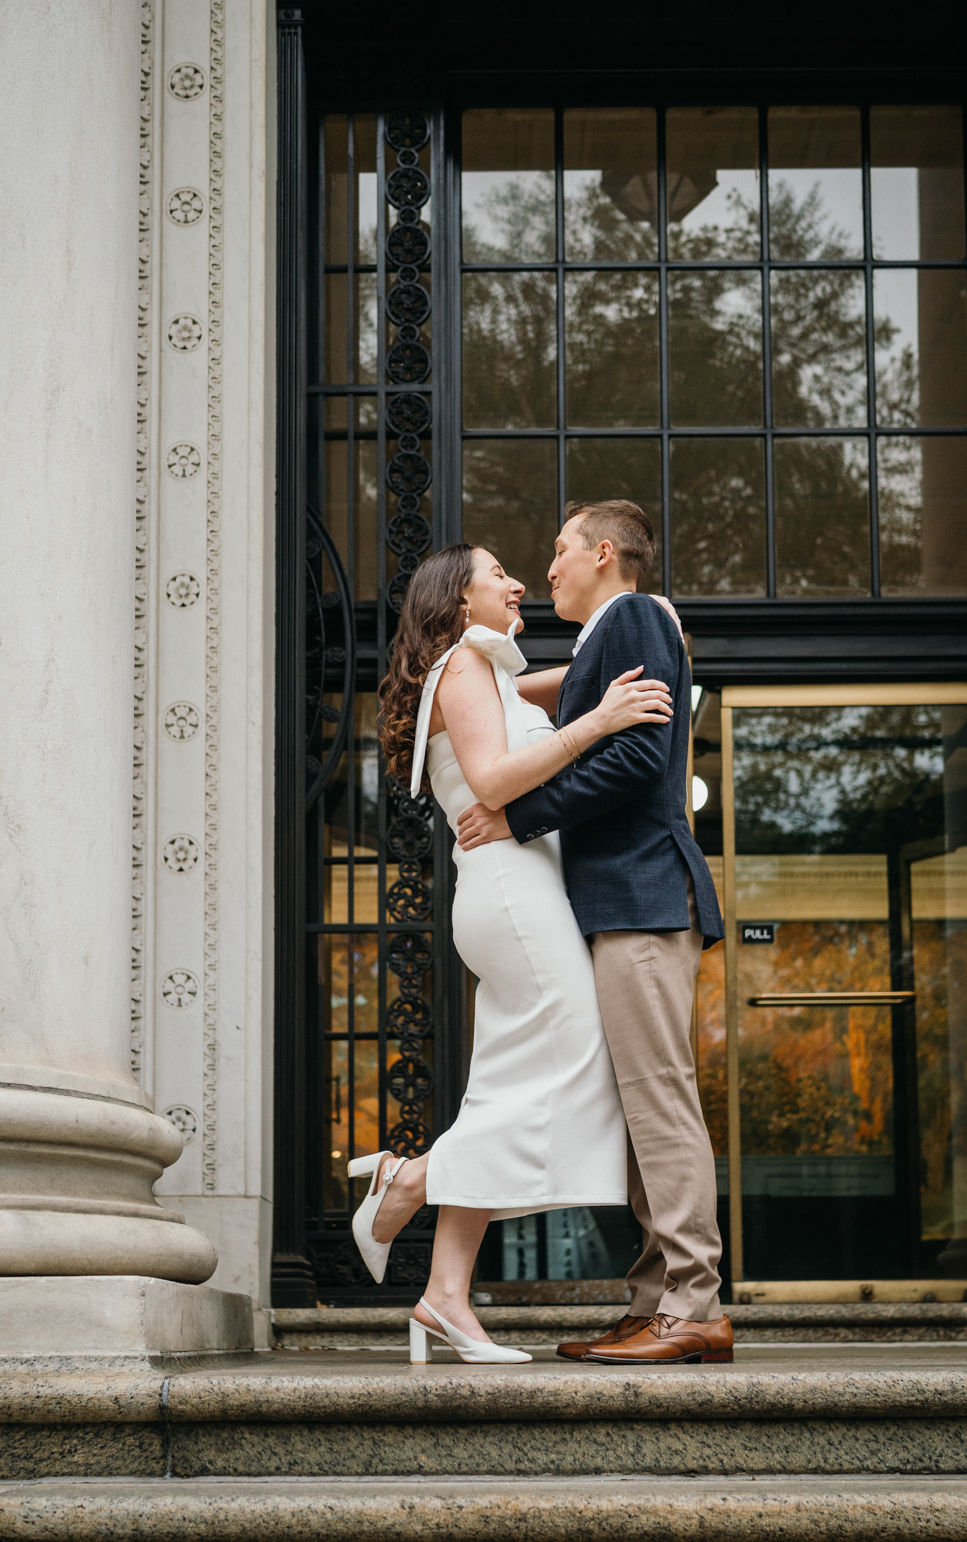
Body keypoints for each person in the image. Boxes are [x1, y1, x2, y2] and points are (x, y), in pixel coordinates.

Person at [363, 541, 676, 1365]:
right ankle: (414, 1182)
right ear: (459, 602)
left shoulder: (487, 672)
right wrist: (601, 721)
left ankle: (443, 1298)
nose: (518, 581)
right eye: (497, 573)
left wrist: (660, 638)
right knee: (576, 1061)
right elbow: (497, 780)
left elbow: (566, 684)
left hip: (518, 891)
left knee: (505, 1088)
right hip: (512, 890)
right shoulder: (464, 669)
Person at [457, 500, 731, 1365]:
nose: (548, 570)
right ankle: (656, 1300)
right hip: (625, 904)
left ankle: (693, 1303)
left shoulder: (638, 615)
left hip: (645, 900)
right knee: (641, 1111)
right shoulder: (610, 636)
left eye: (559, 549)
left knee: (661, 1104)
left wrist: (519, 816)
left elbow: (639, 758)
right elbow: (545, 693)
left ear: (604, 553)